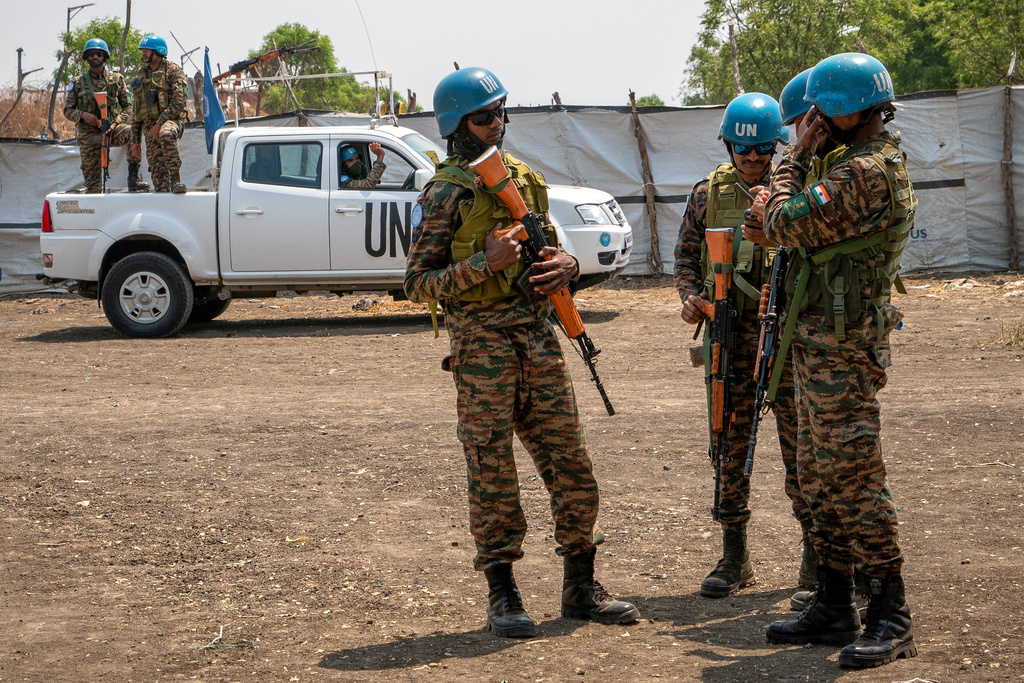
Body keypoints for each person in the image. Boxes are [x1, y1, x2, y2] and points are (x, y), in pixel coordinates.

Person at [404, 66, 639, 639]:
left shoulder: (526, 181)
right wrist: (486, 264)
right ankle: (502, 593)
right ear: (458, 126)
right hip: (481, 347)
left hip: (538, 341)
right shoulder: (445, 192)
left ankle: (581, 585)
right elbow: (417, 285)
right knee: (492, 470)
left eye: (502, 113)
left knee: (571, 463)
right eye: (485, 117)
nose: (497, 125)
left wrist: (568, 266)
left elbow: (554, 252)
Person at [761, 53, 917, 669]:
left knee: (853, 475)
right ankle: (832, 602)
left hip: (842, 350)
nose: (815, 119)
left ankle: (889, 612)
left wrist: (794, 158)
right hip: (818, 342)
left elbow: (779, 220)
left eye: (824, 110)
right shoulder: (855, 163)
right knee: (818, 474)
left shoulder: (863, 174)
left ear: (850, 111)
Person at [673, 93, 811, 599]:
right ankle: (734, 557)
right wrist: (691, 298)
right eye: (742, 150)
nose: (752, 160)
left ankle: (815, 562)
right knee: (729, 448)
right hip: (729, 337)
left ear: (776, 147)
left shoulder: (795, 190)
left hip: (785, 339)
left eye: (762, 152)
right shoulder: (706, 194)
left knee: (802, 449)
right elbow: (686, 260)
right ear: (729, 144)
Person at [63, 38, 149, 193]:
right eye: (91, 54)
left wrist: (116, 123)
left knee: (132, 132)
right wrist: (83, 115)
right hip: (89, 136)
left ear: (104, 56)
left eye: (98, 54)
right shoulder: (78, 82)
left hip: (111, 130)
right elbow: (67, 110)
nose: (95, 57)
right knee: (93, 188)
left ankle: (133, 178)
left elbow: (128, 107)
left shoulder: (116, 79)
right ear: (86, 57)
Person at [129, 35, 190, 194]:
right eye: (142, 50)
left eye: (146, 50)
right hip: (149, 128)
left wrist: (159, 123)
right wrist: (135, 141)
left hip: (171, 120)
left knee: (166, 133)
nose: (143, 53)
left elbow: (179, 101)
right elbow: (136, 108)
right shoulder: (141, 74)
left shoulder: (173, 70)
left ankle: (176, 179)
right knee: (158, 176)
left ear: (158, 51)